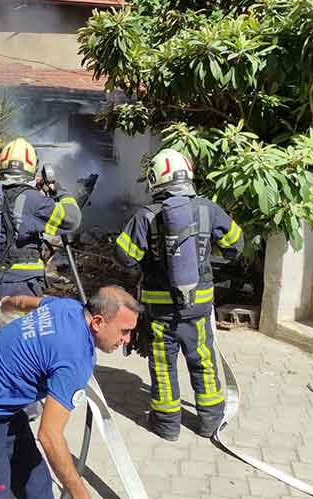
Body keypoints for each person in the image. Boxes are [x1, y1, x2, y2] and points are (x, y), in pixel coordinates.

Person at [0, 286, 140, 499]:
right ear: (98, 322)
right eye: (124, 331)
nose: (127, 340)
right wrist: (81, 495)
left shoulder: (67, 307)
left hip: (2, 408)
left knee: (37, 487)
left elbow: (22, 302)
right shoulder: (75, 358)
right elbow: (49, 436)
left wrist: (5, 304)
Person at [115, 148, 244, 441]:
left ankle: (167, 425)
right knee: (204, 361)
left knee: (162, 363)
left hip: (160, 309)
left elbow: (124, 256)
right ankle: (211, 422)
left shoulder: (145, 216)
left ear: (155, 179)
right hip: (198, 306)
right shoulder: (209, 209)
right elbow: (236, 245)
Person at [0, 137, 83, 373]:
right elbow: (71, 219)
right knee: (19, 343)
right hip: (19, 288)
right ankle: (14, 400)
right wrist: (58, 190)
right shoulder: (33, 200)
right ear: (31, 167)